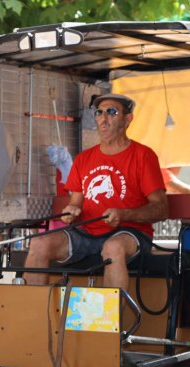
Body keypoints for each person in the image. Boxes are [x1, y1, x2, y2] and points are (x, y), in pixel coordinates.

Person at [24, 94, 168, 290]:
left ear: (128, 119)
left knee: (113, 247)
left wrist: (124, 214)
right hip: (87, 234)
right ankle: (30, 308)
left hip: (130, 233)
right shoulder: (83, 159)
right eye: (99, 113)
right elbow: (75, 203)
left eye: (112, 112)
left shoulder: (143, 155)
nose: (103, 119)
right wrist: (71, 212)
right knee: (39, 243)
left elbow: (161, 209)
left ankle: (111, 311)